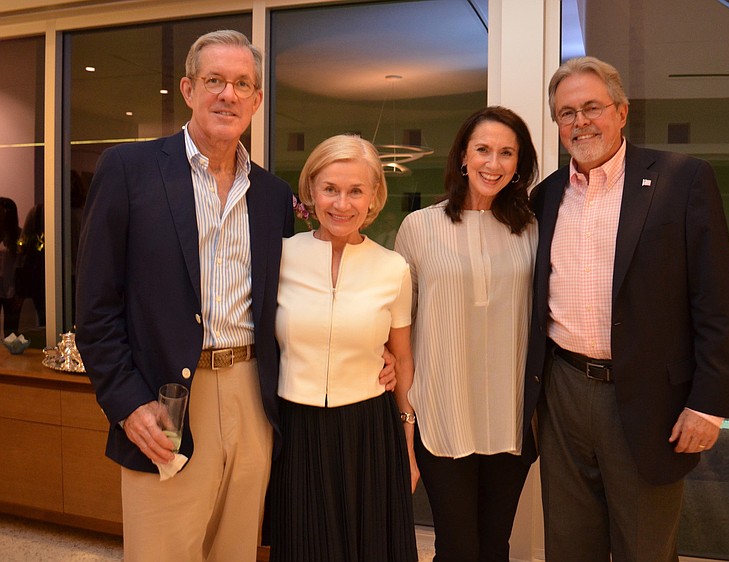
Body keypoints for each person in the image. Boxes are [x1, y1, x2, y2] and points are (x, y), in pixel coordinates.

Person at [75, 30, 295, 562]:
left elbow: (289, 302)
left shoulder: (271, 196)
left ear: (257, 100)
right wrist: (127, 405)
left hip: (251, 399)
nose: (229, 94)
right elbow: (95, 310)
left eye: (243, 84)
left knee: (235, 550)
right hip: (165, 399)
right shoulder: (129, 170)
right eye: (214, 80)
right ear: (188, 89)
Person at [524, 56, 729, 561]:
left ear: (622, 112)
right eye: (566, 113)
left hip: (648, 398)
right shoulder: (545, 196)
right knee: (569, 542)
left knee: (645, 545)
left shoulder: (682, 180)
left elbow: (715, 301)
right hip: (563, 392)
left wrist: (709, 403)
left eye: (591, 108)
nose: (580, 122)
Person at [394, 106, 538, 561]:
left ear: (519, 165)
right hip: (441, 413)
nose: (492, 164)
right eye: (483, 150)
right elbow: (399, 330)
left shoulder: (533, 230)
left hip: (511, 417)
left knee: (494, 546)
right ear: (462, 156)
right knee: (456, 547)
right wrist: (405, 416)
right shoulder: (419, 227)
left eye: (506, 153)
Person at [269, 134, 418, 562]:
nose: (342, 203)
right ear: (311, 190)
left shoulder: (393, 268)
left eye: (356, 190)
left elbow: (402, 359)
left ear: (374, 197)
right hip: (296, 431)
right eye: (330, 189)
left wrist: (407, 446)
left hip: (369, 430)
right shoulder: (279, 257)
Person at [0, 197, 21, 337]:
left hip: (12, 287)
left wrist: (18, 291)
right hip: (1, 284)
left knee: (11, 330)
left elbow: (20, 265)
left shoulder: (19, 235)